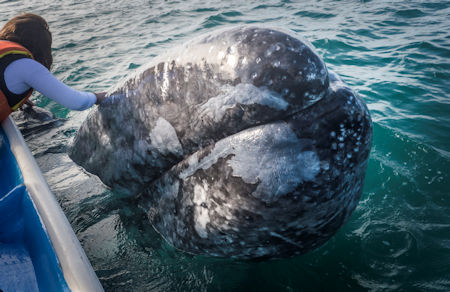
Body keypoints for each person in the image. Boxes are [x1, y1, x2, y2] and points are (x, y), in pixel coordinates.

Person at [0, 13, 106, 122]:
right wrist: (96, 97)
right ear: (42, 48)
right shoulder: (25, 65)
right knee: (57, 123)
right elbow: (76, 102)